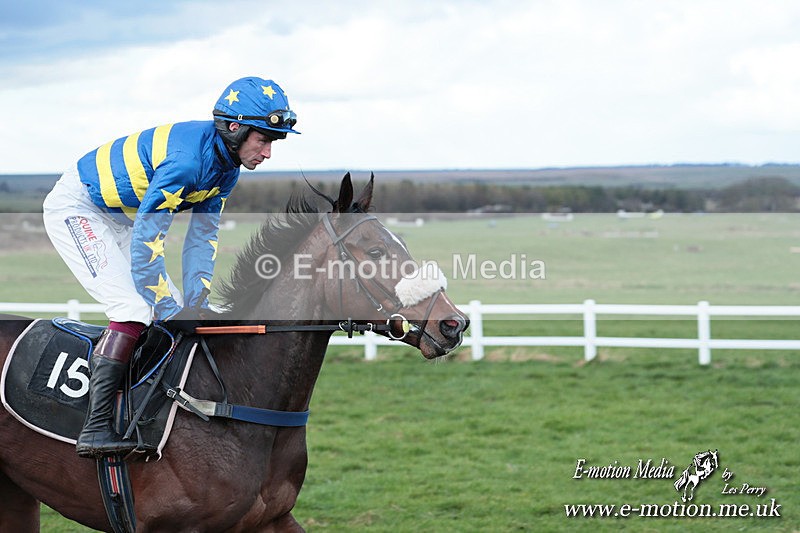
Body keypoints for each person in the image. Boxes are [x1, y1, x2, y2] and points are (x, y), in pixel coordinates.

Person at [42, 76, 299, 457]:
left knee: (175, 308)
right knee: (133, 309)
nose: (267, 153)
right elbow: (149, 245)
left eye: (272, 142)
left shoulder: (226, 168)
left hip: (117, 217)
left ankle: (145, 406)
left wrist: (196, 303)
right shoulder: (186, 163)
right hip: (78, 209)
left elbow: (202, 238)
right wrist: (171, 310)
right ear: (234, 128)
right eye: (262, 139)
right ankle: (94, 428)